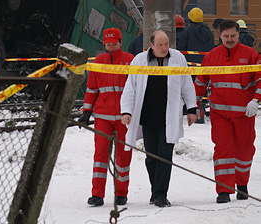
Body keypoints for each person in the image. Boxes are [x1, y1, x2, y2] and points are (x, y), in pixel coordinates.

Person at [120, 30, 197, 207]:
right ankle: (155, 191)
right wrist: (126, 111)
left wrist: (191, 109)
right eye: (160, 45)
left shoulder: (178, 58)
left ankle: (161, 194)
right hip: (147, 116)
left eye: (166, 44)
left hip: (168, 116)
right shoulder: (139, 60)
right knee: (151, 157)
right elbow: (130, 88)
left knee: (165, 155)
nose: (164, 48)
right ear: (151, 45)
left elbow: (187, 84)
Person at [194, 20, 261, 204]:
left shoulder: (251, 55)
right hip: (220, 115)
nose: (229, 39)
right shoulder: (211, 57)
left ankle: (242, 186)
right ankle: (223, 190)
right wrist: (194, 106)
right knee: (223, 153)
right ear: (220, 36)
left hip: (244, 116)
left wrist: (256, 100)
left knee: (244, 152)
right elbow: (200, 83)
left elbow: (260, 79)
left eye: (233, 36)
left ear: (238, 35)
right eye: (226, 36)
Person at [78, 28, 134, 207]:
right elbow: (91, 89)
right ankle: (97, 195)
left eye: (113, 44)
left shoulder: (130, 61)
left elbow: (136, 89)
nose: (110, 48)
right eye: (107, 45)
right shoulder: (98, 62)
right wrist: (86, 112)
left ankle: (121, 194)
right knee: (100, 155)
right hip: (102, 117)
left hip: (125, 118)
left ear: (120, 42)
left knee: (123, 157)